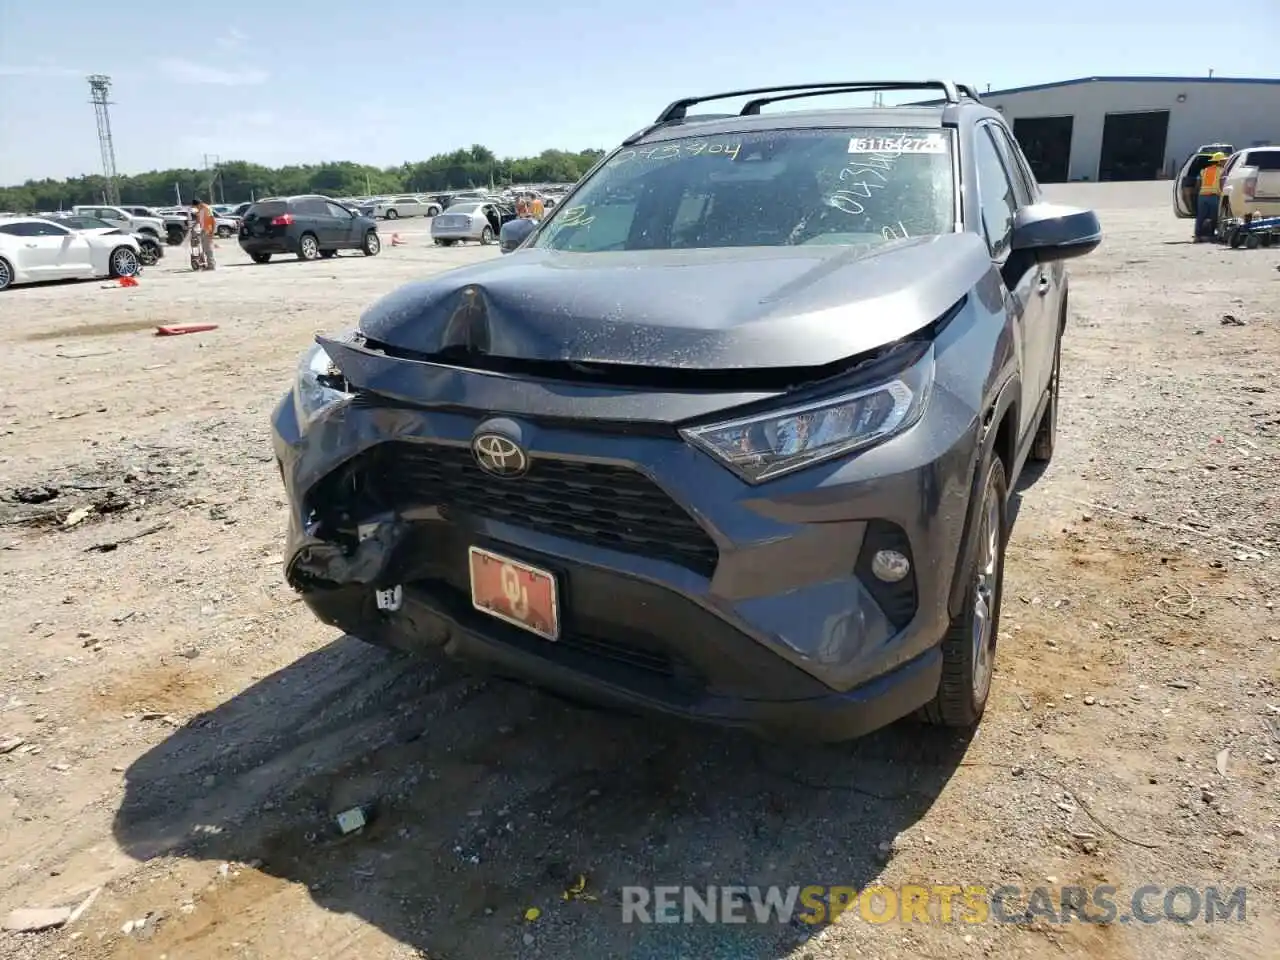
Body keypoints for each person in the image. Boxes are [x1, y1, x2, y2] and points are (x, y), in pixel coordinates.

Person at [1194, 153, 1226, 242]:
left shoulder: (1204, 170)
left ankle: (1197, 236)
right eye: (1223, 160)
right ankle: (1211, 235)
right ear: (1219, 162)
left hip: (1202, 196)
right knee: (1214, 217)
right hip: (1213, 196)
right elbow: (1222, 183)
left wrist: (1197, 193)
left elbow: (1198, 183)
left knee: (1200, 217)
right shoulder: (1222, 171)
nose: (1225, 162)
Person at [190, 197, 217, 269]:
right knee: (205, 248)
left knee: (208, 248)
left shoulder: (206, 208)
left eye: (195, 206)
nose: (195, 208)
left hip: (208, 230)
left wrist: (212, 232)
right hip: (203, 229)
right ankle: (209, 263)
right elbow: (199, 220)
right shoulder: (200, 210)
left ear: (198, 204)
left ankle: (211, 265)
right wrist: (194, 226)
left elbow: (213, 220)